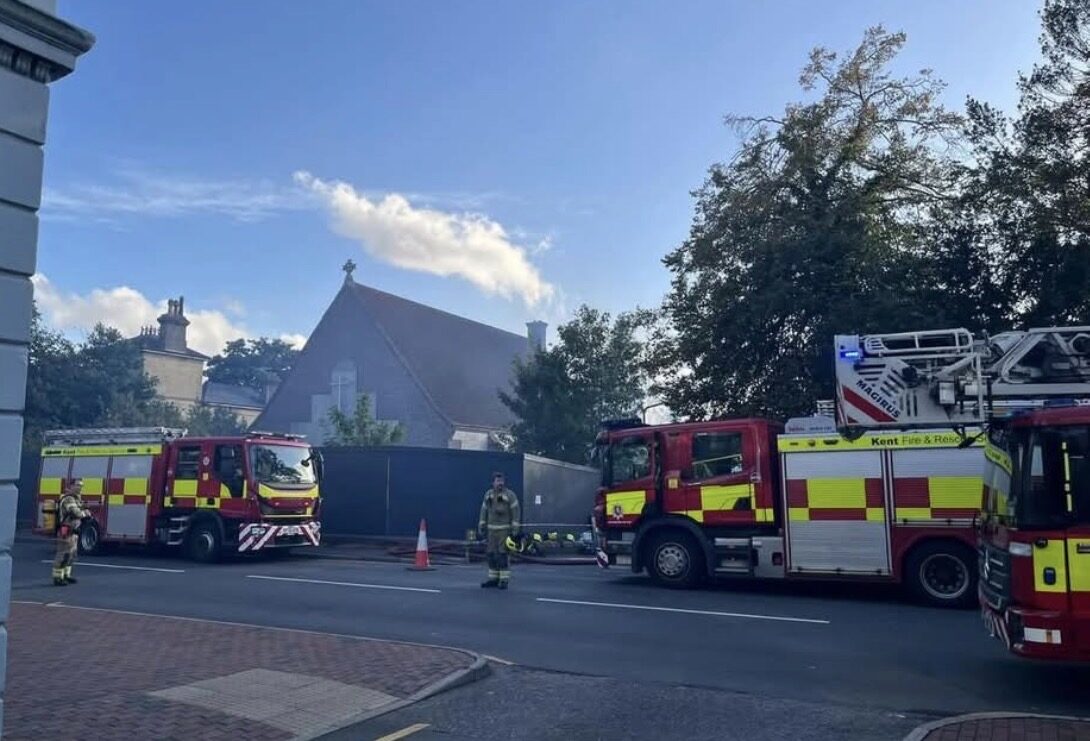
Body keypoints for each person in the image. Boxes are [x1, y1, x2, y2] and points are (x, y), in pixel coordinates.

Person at [478, 471, 521, 590]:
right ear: (493, 482)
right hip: (491, 531)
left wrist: (515, 528)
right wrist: (481, 525)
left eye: (502, 481)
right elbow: (484, 510)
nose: (500, 483)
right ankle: (493, 578)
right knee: (491, 554)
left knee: (502, 555)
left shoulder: (510, 495)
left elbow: (516, 512)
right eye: (498, 481)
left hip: (504, 530)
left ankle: (503, 580)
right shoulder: (488, 495)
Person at [52, 478, 91, 586]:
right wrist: (85, 513)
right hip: (66, 531)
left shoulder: (75, 499)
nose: (79, 488)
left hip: (73, 532)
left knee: (71, 555)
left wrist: (83, 507)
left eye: (81, 486)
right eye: (77, 485)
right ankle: (57, 577)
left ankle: (66, 575)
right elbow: (76, 513)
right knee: (63, 554)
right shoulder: (69, 499)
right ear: (71, 486)